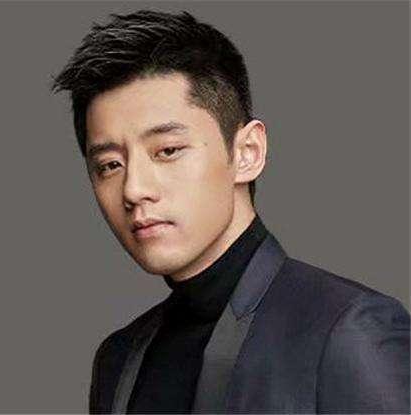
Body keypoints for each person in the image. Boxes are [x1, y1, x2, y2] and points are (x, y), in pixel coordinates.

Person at [51, 9, 410, 414]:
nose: (134, 189)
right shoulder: (118, 359)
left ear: (247, 153)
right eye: (110, 165)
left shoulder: (347, 331)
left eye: (167, 151)